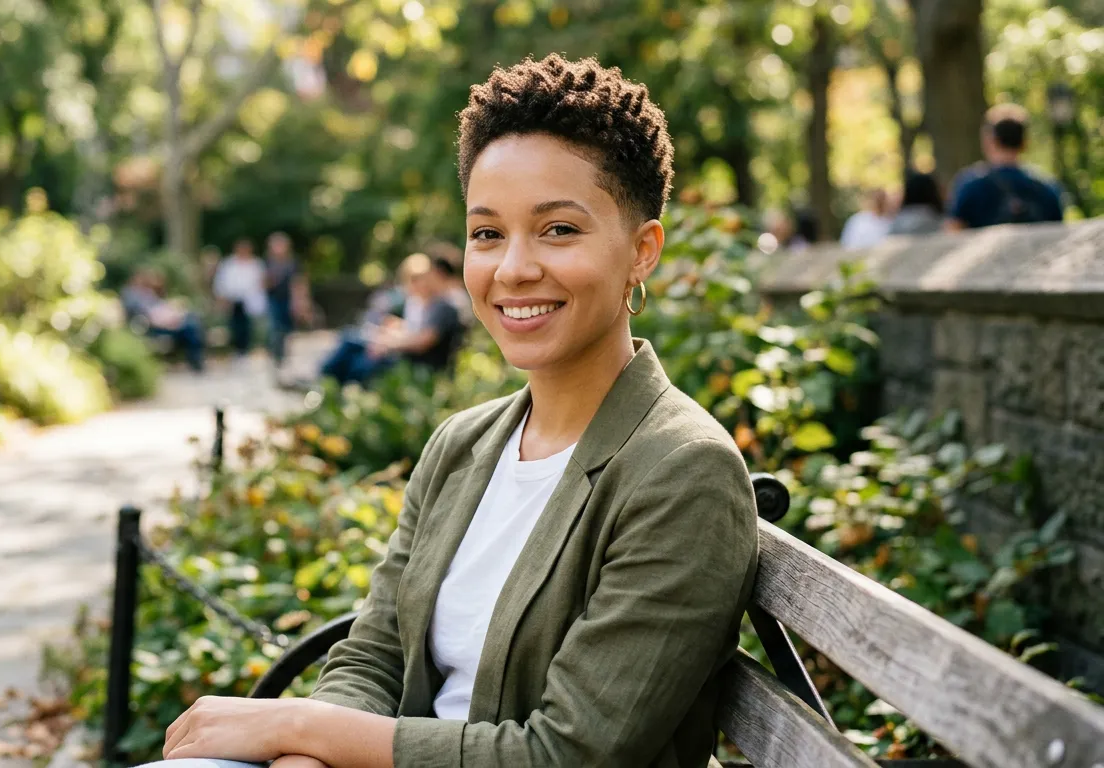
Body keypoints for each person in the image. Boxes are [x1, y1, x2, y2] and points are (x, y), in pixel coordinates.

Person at [140, 54, 758, 768]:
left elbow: (567, 755)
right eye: (487, 233)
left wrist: (302, 731)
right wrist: (306, 761)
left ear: (642, 251)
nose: (513, 268)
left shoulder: (683, 472)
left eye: (558, 230)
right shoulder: (462, 445)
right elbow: (373, 656)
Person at [319, 253, 462, 385]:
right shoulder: (420, 304)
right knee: (351, 343)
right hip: (407, 356)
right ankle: (325, 384)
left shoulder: (442, 307)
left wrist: (388, 344)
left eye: (420, 279)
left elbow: (423, 341)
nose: (418, 284)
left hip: (419, 365)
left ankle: (329, 388)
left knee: (360, 363)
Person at [945, 103, 1064, 231]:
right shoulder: (1047, 187)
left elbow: (953, 232)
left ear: (990, 140)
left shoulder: (969, 185)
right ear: (1024, 142)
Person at [120, 268, 205, 372]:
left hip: (165, 321)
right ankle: (195, 362)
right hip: (153, 326)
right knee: (190, 329)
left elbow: (160, 306)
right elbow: (143, 314)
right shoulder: (131, 294)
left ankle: (195, 361)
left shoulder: (148, 293)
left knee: (191, 323)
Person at [263, 232, 313, 374]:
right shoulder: (267, 262)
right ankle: (275, 355)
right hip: (273, 299)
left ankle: (282, 355)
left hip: (289, 299)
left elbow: (300, 282)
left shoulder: (293, 262)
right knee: (275, 327)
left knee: (286, 329)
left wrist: (301, 301)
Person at [212, 239, 267, 359]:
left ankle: (247, 349)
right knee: (235, 326)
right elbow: (221, 283)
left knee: (248, 326)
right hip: (233, 300)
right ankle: (238, 349)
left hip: (250, 301)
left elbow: (261, 283)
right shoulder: (228, 264)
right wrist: (222, 298)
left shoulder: (256, 264)